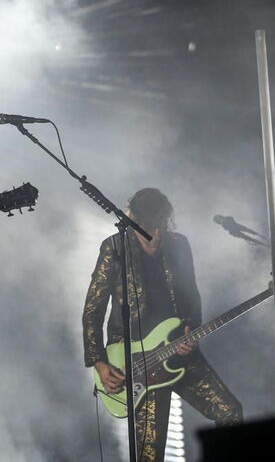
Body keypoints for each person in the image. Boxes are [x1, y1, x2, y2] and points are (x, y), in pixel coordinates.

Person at [82, 188, 242, 462]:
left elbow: (191, 295)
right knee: (149, 453)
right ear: (135, 223)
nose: (155, 237)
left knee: (230, 412)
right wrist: (99, 362)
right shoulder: (115, 248)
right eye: (148, 229)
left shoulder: (178, 245)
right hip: (136, 363)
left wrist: (191, 327)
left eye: (160, 228)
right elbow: (92, 310)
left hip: (177, 348)